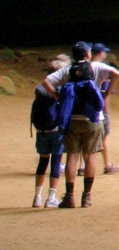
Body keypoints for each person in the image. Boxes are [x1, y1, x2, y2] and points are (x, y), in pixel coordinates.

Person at [44, 41, 118, 207]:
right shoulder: (96, 67)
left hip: (72, 118)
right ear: (87, 54)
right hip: (93, 119)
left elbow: (46, 82)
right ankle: (87, 197)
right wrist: (105, 93)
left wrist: (58, 96)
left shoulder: (67, 70)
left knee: (72, 156)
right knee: (90, 156)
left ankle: (69, 196)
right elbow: (116, 74)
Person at [30, 53, 70, 207]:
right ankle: (51, 198)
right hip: (56, 130)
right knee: (56, 162)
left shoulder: (39, 89)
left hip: (41, 130)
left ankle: (37, 197)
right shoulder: (59, 89)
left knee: (42, 162)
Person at [91, 43, 119, 174]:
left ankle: (81, 167)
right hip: (98, 109)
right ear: (100, 53)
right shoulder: (103, 72)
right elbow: (106, 97)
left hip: (83, 108)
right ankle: (107, 164)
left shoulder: (83, 67)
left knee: (84, 138)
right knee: (102, 138)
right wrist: (107, 112)